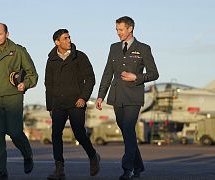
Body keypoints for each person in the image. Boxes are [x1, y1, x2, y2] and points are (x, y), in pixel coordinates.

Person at [95, 16, 159, 180]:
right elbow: (107, 72)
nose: (118, 33)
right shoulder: (113, 48)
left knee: (129, 129)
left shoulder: (143, 48)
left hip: (133, 97)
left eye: (121, 29)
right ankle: (139, 167)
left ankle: (127, 169)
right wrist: (100, 96)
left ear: (130, 29)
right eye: (116, 29)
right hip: (117, 97)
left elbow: (154, 73)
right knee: (127, 133)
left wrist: (136, 77)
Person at [0, 23, 38, 180]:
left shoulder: (18, 51)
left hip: (13, 98)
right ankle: (0, 172)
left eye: (0, 34)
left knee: (15, 132)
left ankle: (27, 154)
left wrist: (25, 84)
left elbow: (32, 74)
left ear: (7, 34)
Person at [45, 29, 100, 180]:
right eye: (65, 38)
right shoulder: (51, 60)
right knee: (56, 134)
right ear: (57, 42)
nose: (69, 40)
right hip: (58, 104)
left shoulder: (79, 57)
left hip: (76, 103)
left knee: (79, 133)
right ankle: (59, 169)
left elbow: (90, 79)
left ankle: (93, 156)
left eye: (69, 37)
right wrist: (50, 106)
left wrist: (83, 97)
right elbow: (48, 84)